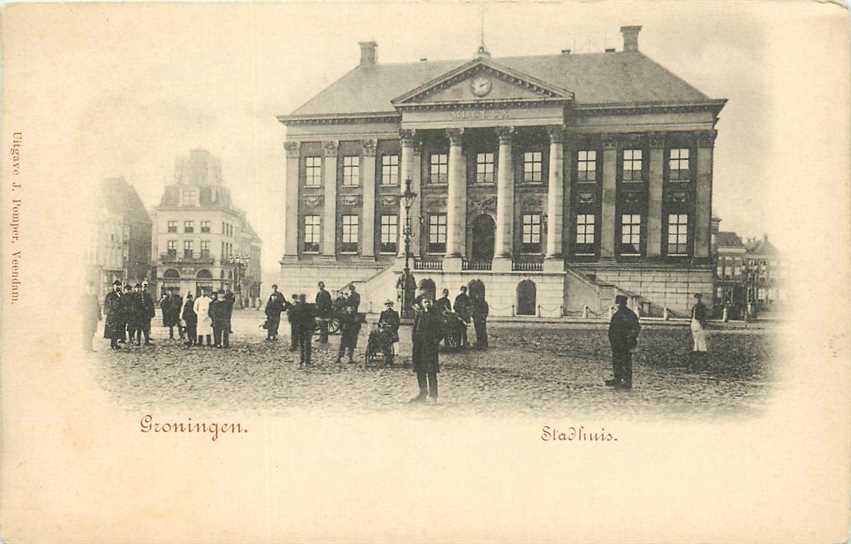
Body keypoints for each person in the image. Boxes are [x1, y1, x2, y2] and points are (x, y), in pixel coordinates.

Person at [411, 296, 442, 403]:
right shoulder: (419, 314)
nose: (427, 304)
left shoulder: (435, 316)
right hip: (419, 347)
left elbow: (441, 331)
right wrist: (415, 341)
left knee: (431, 371)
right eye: (425, 302)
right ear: (421, 303)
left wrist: (435, 341)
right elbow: (414, 330)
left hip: (430, 348)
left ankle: (433, 396)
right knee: (420, 370)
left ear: (432, 303)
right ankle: (422, 394)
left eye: (429, 302)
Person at [606, 294, 641, 389]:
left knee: (625, 361)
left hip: (625, 342)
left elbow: (636, 328)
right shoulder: (623, 314)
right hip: (617, 342)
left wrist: (630, 338)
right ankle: (618, 379)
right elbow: (612, 329)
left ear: (621, 304)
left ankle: (626, 381)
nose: (618, 305)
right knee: (617, 361)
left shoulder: (627, 315)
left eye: (618, 304)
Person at [335, 293, 362, 364]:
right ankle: (339, 358)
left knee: (351, 346)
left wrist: (356, 331)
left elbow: (358, 325)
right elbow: (340, 323)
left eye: (352, 307)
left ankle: (350, 358)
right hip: (345, 331)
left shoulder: (356, 316)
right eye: (349, 307)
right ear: (347, 308)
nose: (350, 309)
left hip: (352, 332)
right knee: (342, 345)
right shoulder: (344, 315)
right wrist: (341, 330)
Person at [292, 294, 316, 367]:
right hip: (307, 329)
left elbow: (291, 317)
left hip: (299, 329)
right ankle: (307, 362)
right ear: (305, 299)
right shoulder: (308, 307)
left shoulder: (296, 307)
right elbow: (313, 316)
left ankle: (301, 361)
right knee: (307, 345)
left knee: (301, 345)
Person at [378, 299, 401, 366]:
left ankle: (389, 360)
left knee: (390, 346)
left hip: (392, 332)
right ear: (385, 305)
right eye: (387, 304)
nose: (388, 306)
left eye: (390, 304)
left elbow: (397, 323)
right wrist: (382, 326)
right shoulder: (383, 313)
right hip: (384, 332)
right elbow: (379, 322)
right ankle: (386, 360)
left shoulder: (395, 313)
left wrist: (392, 327)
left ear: (392, 305)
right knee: (385, 346)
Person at [103, 280, 123, 350]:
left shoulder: (121, 294)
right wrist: (108, 312)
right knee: (113, 330)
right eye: (116, 285)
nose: (118, 286)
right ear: (113, 286)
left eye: (119, 285)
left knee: (118, 329)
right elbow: (107, 305)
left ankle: (115, 343)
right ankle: (113, 344)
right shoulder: (110, 295)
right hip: (112, 315)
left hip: (120, 315)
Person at [82, 281, 101, 352]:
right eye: (89, 287)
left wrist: (99, 316)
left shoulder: (95, 296)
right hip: (86, 318)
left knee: (92, 333)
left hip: (93, 318)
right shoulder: (84, 297)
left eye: (91, 287)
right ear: (86, 288)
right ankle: (85, 347)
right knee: (86, 332)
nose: (90, 289)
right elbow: (79, 307)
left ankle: (90, 347)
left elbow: (98, 306)